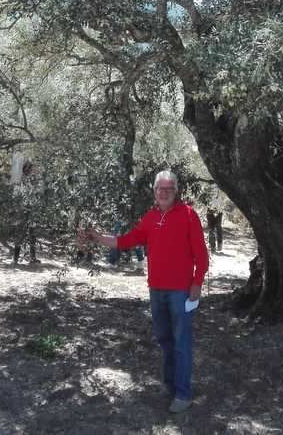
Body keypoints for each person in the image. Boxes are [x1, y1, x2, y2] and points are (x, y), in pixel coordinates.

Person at [77, 170, 209, 414]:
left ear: (176, 191)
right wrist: (97, 237)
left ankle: (183, 394)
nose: (164, 192)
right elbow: (125, 241)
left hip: (180, 291)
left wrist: (196, 283)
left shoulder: (189, 216)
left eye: (169, 188)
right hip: (156, 290)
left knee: (181, 343)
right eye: (160, 188)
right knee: (164, 340)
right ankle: (170, 386)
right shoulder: (150, 217)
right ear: (154, 191)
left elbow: (201, 255)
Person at [12, 160, 41, 266]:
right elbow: (15, 195)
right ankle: (15, 258)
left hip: (32, 209)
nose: (29, 170)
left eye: (30, 168)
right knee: (20, 233)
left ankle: (32, 257)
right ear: (24, 169)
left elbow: (37, 193)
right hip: (22, 209)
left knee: (32, 233)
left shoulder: (33, 180)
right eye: (27, 168)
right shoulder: (19, 180)